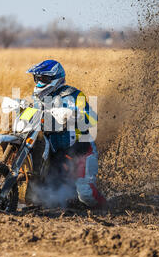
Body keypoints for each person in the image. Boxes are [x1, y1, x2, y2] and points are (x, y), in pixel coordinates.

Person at [26, 59, 106, 208]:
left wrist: (73, 113)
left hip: (79, 149)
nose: (38, 83)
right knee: (44, 198)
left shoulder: (75, 95)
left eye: (43, 79)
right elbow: (31, 117)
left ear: (55, 78)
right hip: (54, 153)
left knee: (86, 194)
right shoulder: (38, 98)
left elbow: (92, 119)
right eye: (37, 79)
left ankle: (108, 208)